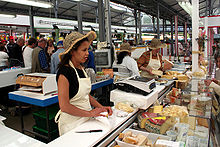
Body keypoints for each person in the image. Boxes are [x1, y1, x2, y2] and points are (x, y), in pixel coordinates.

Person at [55, 31, 112, 136]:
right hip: (71, 124)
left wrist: (101, 108)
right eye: (84, 50)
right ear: (72, 51)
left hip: (85, 119)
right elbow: (64, 106)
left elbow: (85, 95)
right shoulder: (64, 73)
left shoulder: (81, 68)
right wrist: (90, 113)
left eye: (88, 50)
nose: (87, 53)